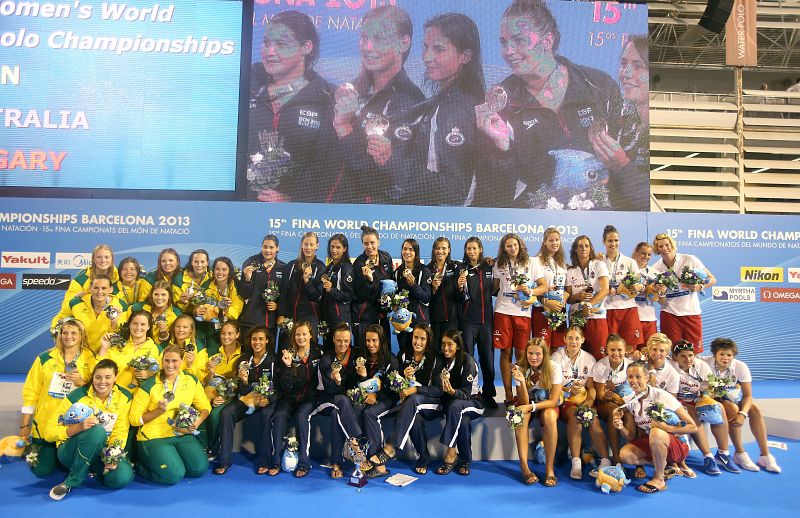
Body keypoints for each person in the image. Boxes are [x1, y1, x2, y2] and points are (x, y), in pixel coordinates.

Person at [476, 0, 622, 208]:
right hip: (538, 224)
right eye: (503, 42)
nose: (508, 51)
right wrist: (502, 150)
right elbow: (495, 196)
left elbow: (627, 165)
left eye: (519, 40)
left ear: (547, 42)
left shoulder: (599, 86)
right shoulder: (500, 104)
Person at [366, 12, 488, 206]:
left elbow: (454, 190)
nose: (427, 57)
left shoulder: (458, 108)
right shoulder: (446, 100)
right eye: (425, 47)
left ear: (465, 56)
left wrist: (392, 160)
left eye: (439, 49)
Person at [332, 4, 426, 204]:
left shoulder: (410, 102)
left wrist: (344, 127)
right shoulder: (353, 88)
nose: (367, 47)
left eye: (379, 39)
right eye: (364, 38)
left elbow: (382, 177)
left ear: (404, 43)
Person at [247, 10, 337, 203]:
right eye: (266, 43)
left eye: (281, 44)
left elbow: (328, 167)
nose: (270, 52)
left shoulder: (327, 98)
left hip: (293, 218)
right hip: (235, 210)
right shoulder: (244, 84)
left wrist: (292, 201)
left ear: (306, 47)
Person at [44, 359, 135, 500]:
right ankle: (71, 481)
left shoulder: (125, 397)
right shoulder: (76, 396)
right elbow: (48, 432)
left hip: (101, 453)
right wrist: (77, 428)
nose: (102, 382)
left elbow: (120, 431)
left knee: (121, 477)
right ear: (92, 377)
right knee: (97, 432)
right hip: (70, 452)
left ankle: (91, 469)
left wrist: (112, 456)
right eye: (98, 377)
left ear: (115, 377)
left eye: (108, 377)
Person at [362, 324, 442, 477]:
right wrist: (403, 381)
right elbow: (396, 383)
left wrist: (416, 389)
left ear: (428, 341)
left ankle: (391, 447)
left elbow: (439, 390)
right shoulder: (404, 355)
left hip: (433, 403)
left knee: (412, 400)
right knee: (414, 417)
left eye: (422, 339)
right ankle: (424, 457)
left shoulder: (436, 359)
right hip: (412, 405)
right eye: (416, 337)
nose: (418, 342)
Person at [21, 319, 95, 479]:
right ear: (59, 335)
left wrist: (80, 382)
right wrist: (25, 425)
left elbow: (96, 390)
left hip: (74, 423)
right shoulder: (44, 358)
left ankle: (66, 455)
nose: (68, 336)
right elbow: (30, 392)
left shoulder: (90, 359)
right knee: (41, 470)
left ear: (82, 336)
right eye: (65, 332)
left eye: (74, 333)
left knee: (69, 462)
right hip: (46, 423)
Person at [129, 344, 211, 485]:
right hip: (154, 437)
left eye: (174, 361)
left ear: (181, 360)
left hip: (181, 434)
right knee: (173, 476)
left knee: (199, 469)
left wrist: (196, 423)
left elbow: (205, 407)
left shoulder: (191, 380)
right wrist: (158, 411)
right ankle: (141, 467)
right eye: (166, 360)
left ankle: (171, 460)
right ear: (162, 361)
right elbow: (134, 419)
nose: (170, 365)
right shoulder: (149, 385)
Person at [614, 361, 698, 493]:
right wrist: (620, 426)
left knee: (656, 432)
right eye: (630, 377)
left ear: (647, 377)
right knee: (626, 455)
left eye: (638, 376)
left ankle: (659, 479)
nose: (633, 380)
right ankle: (663, 464)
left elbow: (693, 427)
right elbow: (629, 436)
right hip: (655, 443)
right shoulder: (631, 401)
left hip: (678, 446)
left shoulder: (661, 395)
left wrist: (667, 428)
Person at [704, 337, 781, 473]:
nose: (725, 358)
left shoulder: (740, 366)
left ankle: (765, 455)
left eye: (729, 355)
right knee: (732, 408)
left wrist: (743, 414)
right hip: (712, 399)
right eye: (722, 354)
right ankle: (740, 453)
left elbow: (748, 395)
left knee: (755, 409)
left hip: (733, 396)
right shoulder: (704, 363)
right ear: (714, 354)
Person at [670, 339, 740, 476]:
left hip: (698, 399)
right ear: (675, 357)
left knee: (718, 407)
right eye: (683, 356)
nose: (688, 359)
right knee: (691, 413)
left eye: (690, 355)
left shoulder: (701, 366)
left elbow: (709, 391)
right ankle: (708, 456)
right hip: (679, 403)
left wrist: (706, 397)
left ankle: (723, 453)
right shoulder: (671, 367)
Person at [493, 233, 547, 406]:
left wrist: (530, 292)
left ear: (520, 245)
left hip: (523, 313)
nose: (512, 248)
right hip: (503, 311)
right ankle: (508, 395)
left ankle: (521, 393)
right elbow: (494, 288)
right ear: (504, 248)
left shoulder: (532, 262)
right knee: (505, 352)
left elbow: (543, 286)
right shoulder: (499, 263)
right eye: (508, 246)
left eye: (514, 245)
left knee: (522, 354)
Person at [213, 326, 276, 475]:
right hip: (247, 400)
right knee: (227, 412)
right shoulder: (243, 360)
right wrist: (244, 382)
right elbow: (240, 390)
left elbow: (279, 387)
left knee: (266, 415)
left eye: (261, 339)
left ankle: (265, 461)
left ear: (267, 340)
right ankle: (224, 460)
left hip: (265, 401)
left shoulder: (274, 360)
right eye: (254, 339)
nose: (257, 342)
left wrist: (268, 399)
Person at [551, 326, 610, 480]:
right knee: (576, 417)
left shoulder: (589, 358)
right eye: (570, 338)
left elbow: (591, 388)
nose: (573, 341)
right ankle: (576, 461)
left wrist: (589, 402)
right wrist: (567, 390)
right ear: (564, 339)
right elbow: (551, 385)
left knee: (593, 419)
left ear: (582, 340)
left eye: (577, 338)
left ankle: (605, 461)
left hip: (583, 399)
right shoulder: (556, 357)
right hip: (566, 399)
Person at [601, 35, 650, 211]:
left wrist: (622, 166)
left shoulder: (657, 132)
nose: (625, 74)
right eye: (623, 64)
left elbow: (648, 200)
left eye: (638, 66)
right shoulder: (626, 125)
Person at [309, 323, 361, 479]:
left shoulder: (356, 356)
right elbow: (327, 389)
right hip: (326, 399)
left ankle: (336, 462)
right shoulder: (326, 359)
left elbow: (359, 381)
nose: (343, 344)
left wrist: (362, 375)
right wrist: (335, 380)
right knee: (342, 401)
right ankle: (357, 444)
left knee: (337, 414)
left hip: (345, 402)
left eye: (346, 340)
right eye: (339, 341)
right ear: (333, 339)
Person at [271, 321, 322, 477]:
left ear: (311, 335)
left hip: (310, 397)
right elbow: (285, 386)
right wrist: (287, 367)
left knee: (301, 416)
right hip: (290, 396)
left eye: (304, 334)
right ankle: (276, 461)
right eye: (298, 334)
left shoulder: (318, 353)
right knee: (279, 416)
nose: (301, 337)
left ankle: (304, 463)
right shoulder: (288, 354)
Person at [651, 232, 716, 353]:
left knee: (694, 352)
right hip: (669, 313)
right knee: (673, 352)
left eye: (667, 245)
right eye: (661, 246)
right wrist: (661, 293)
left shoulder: (689, 259)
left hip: (691, 311)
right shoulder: (655, 268)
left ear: (672, 245)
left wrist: (700, 287)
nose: (665, 248)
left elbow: (712, 279)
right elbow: (660, 300)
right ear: (657, 249)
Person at [511, 338, 563, 487]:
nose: (533, 357)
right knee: (519, 415)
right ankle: (524, 468)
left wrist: (532, 407)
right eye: (530, 353)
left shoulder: (554, 368)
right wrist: (521, 382)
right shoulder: (519, 368)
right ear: (525, 353)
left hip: (546, 402)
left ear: (545, 354)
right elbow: (524, 402)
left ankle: (549, 469)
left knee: (550, 415)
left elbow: (553, 401)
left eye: (538, 354)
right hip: (527, 402)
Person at [433, 330, 484, 477]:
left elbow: (467, 394)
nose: (445, 348)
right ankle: (465, 460)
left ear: (458, 346)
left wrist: (452, 392)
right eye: (443, 344)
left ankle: (450, 453)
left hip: (474, 402)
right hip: (454, 404)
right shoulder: (441, 360)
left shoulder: (468, 362)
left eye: (450, 344)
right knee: (463, 420)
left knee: (456, 406)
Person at [353, 324, 399, 478]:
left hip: (388, 399)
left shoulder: (390, 359)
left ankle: (380, 465)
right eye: (367, 341)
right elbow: (359, 384)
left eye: (374, 341)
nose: (370, 344)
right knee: (356, 409)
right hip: (367, 397)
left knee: (369, 413)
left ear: (381, 341)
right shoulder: (362, 358)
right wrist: (362, 376)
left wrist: (376, 396)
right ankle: (361, 456)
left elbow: (393, 388)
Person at [457, 236, 497, 409]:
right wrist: (459, 286)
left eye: (474, 248)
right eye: (468, 248)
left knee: (488, 361)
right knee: (468, 360)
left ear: (480, 249)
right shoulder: (461, 268)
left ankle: (489, 394)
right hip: (467, 322)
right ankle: (468, 393)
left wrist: (493, 261)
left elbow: (496, 289)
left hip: (486, 322)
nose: (471, 251)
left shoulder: (489, 266)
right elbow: (457, 296)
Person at [52, 274, 128, 354]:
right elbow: (60, 317)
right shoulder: (76, 303)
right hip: (81, 355)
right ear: (90, 288)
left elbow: (122, 335)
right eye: (96, 288)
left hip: (107, 354)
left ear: (111, 289)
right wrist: (56, 334)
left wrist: (114, 322)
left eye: (104, 288)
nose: (100, 292)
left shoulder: (120, 306)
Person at [201, 320, 243, 460]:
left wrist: (224, 396)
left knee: (214, 415)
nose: (226, 337)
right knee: (202, 409)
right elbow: (206, 381)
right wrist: (211, 372)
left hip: (232, 394)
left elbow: (239, 382)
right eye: (223, 333)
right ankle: (200, 446)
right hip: (212, 393)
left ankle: (214, 448)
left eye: (230, 333)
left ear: (237, 334)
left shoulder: (243, 355)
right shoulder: (215, 355)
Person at [600, 225, 644, 350]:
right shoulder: (599, 261)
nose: (613, 244)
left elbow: (639, 284)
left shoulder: (630, 261)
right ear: (604, 242)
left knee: (630, 347)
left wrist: (635, 287)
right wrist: (613, 291)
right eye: (610, 241)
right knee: (609, 347)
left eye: (616, 240)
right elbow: (596, 286)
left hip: (628, 308)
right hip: (607, 308)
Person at [565, 235, 609, 360]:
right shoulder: (570, 270)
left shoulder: (599, 265)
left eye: (587, 246)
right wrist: (578, 296)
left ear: (591, 249)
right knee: (577, 358)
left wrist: (588, 304)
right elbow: (569, 299)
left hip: (596, 317)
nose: (584, 248)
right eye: (580, 246)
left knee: (599, 357)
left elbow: (605, 289)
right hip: (576, 319)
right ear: (575, 250)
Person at [591, 334, 632, 465]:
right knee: (614, 411)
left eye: (619, 350)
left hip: (627, 401)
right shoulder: (600, 366)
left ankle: (638, 463)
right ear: (606, 350)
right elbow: (600, 395)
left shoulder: (631, 366)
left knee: (632, 414)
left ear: (625, 350)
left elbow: (636, 392)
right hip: (605, 403)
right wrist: (612, 396)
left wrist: (619, 398)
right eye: (612, 350)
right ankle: (616, 457)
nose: (616, 353)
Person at [278, 232, 325, 344]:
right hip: (289, 318)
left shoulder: (321, 268)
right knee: (285, 352)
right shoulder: (291, 265)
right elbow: (284, 292)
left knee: (307, 354)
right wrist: (281, 314)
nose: (308, 247)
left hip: (310, 319)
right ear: (301, 245)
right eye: (306, 244)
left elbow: (317, 296)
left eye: (312, 244)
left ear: (317, 246)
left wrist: (307, 280)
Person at [351, 225, 395, 348]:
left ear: (378, 242)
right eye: (366, 243)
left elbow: (391, 282)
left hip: (383, 313)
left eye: (372, 243)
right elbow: (359, 294)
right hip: (365, 314)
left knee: (385, 348)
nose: (369, 247)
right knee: (366, 350)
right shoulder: (359, 264)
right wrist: (369, 280)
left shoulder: (386, 257)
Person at [96, 309, 160, 390]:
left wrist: (149, 373)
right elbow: (99, 368)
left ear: (148, 327)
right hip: (108, 390)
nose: (138, 327)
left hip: (131, 395)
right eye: (135, 323)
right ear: (129, 324)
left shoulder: (152, 348)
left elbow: (155, 371)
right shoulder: (117, 342)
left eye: (143, 324)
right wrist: (104, 348)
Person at [239, 234, 285, 346]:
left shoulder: (283, 267)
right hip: (251, 321)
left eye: (271, 247)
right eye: (265, 247)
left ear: (277, 248)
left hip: (270, 323)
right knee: (248, 358)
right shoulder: (251, 263)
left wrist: (278, 307)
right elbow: (245, 294)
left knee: (268, 358)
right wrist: (247, 279)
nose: (268, 250)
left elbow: (286, 294)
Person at [196, 257, 244, 356]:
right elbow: (202, 308)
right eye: (217, 269)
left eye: (224, 269)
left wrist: (227, 309)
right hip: (212, 328)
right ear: (213, 270)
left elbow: (235, 313)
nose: (220, 272)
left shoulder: (237, 287)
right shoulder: (207, 285)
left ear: (230, 271)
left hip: (231, 328)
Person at [392, 238, 433, 352]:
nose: (407, 252)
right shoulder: (397, 272)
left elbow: (426, 297)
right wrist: (393, 306)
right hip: (402, 322)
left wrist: (413, 285)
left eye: (411, 249)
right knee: (404, 354)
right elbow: (394, 297)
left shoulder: (424, 271)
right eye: (405, 249)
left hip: (419, 321)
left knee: (420, 355)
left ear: (416, 253)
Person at [531, 226, 568, 348]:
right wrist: (546, 302)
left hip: (558, 309)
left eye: (557, 240)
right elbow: (531, 288)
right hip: (542, 310)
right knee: (542, 347)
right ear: (544, 242)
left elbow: (565, 289)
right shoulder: (535, 261)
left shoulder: (562, 263)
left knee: (556, 347)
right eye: (551, 240)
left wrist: (563, 300)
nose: (554, 243)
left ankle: (553, 368)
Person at [319, 233, 355, 350]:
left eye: (338, 247)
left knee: (341, 351)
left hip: (340, 319)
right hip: (328, 318)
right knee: (328, 350)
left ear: (344, 249)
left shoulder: (346, 268)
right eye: (332, 247)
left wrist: (332, 290)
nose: (334, 250)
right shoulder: (329, 267)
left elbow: (350, 296)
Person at [428, 237, 460, 350]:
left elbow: (472, 263)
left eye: (444, 248)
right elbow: (425, 296)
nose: (440, 251)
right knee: (436, 350)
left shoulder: (456, 267)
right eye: (437, 248)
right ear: (433, 250)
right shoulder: (427, 269)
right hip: (434, 318)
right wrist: (433, 289)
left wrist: (488, 260)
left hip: (451, 318)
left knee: (451, 351)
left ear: (449, 250)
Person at [131, 280, 181, 344]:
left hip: (161, 350)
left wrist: (163, 333)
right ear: (152, 295)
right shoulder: (138, 308)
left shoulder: (176, 315)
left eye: (163, 295)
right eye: (156, 294)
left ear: (169, 296)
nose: (159, 298)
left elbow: (176, 340)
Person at [159, 314, 207, 380]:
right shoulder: (165, 346)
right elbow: (159, 369)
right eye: (178, 326)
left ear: (191, 330)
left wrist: (190, 365)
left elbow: (202, 378)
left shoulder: (199, 348)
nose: (181, 330)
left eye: (185, 327)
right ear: (174, 328)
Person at [632, 242, 658, 346]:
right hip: (633, 316)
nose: (646, 257)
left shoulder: (654, 272)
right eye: (643, 253)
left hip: (649, 317)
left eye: (649, 254)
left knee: (649, 351)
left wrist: (656, 291)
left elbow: (659, 298)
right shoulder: (628, 269)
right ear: (636, 252)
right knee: (633, 352)